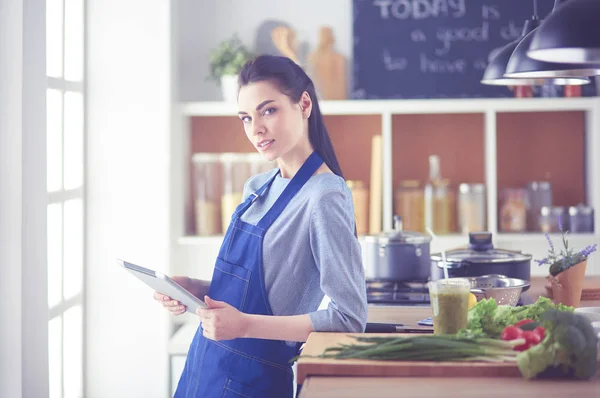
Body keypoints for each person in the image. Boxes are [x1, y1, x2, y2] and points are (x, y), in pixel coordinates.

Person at [154, 54, 368, 398]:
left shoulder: (325, 197)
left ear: (304, 104)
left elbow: (349, 317)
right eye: (246, 117)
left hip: (253, 384)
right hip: (203, 367)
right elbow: (264, 289)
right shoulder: (257, 188)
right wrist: (193, 287)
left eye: (268, 110)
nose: (256, 129)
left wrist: (245, 325)